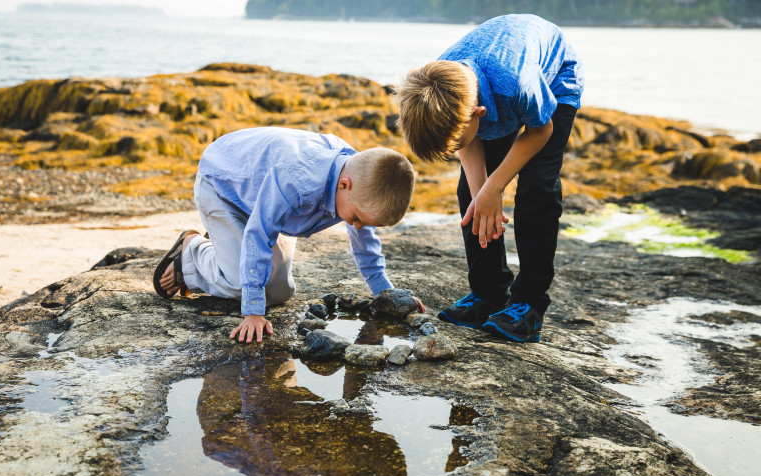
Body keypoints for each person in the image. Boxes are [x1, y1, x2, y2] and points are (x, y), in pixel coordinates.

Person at [396, 14, 584, 343]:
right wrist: (484, 194)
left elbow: (541, 130)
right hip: (490, 89)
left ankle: (529, 305)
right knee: (472, 195)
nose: (456, 149)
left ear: (478, 115)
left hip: (553, 80)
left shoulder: (515, 83)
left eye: (456, 143)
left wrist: (496, 186)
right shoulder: (438, 81)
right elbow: (468, 149)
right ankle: (488, 294)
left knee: (536, 189)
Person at [153, 127, 422, 343]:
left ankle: (226, 246)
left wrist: (386, 294)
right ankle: (192, 252)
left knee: (281, 292)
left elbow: (365, 243)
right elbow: (259, 234)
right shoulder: (298, 181)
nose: (358, 226)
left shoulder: (359, 181)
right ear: (344, 185)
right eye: (356, 219)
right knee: (240, 283)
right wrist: (253, 313)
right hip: (223, 187)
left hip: (267, 203)